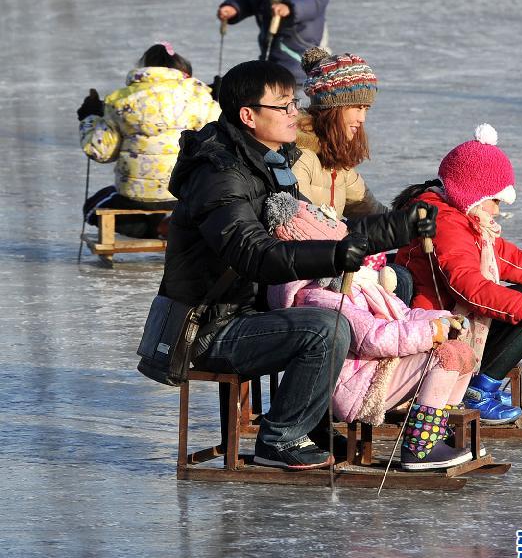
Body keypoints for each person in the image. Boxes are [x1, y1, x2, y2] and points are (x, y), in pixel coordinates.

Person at [157, 59, 438, 470]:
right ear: (249, 116)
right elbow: (253, 254)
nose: (295, 114)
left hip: (255, 311)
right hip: (209, 326)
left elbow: (327, 228)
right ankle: (281, 437)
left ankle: (324, 415)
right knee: (327, 326)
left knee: (364, 298)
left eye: (294, 103)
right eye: (284, 106)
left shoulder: (270, 164)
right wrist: (333, 257)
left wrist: (402, 226)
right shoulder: (219, 177)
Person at [394, 123, 522, 425]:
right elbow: (467, 287)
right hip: (436, 335)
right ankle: (477, 392)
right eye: (495, 201)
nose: (496, 210)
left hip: (455, 322)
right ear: (472, 193)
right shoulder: (447, 225)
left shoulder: (467, 221)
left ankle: (483, 384)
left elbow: (515, 260)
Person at [266, 192, 478, 471]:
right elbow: (372, 338)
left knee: (463, 352)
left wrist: (443, 319)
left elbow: (403, 313)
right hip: (360, 387)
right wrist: (430, 332)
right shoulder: (320, 296)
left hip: (381, 371)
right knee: (447, 356)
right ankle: (419, 446)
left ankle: (436, 428)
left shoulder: (360, 282)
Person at [78, 42, 219, 238]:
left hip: (135, 195)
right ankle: (172, 225)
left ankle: (156, 228)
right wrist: (218, 98)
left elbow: (100, 151)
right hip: (186, 191)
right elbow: (219, 138)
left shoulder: (121, 100)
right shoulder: (199, 98)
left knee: (93, 207)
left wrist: (90, 117)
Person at [293, 47, 386, 219]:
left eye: (366, 108)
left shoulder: (333, 152)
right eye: (357, 108)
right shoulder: (300, 156)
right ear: (332, 108)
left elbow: (367, 208)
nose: (362, 118)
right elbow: (305, 225)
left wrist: (407, 220)